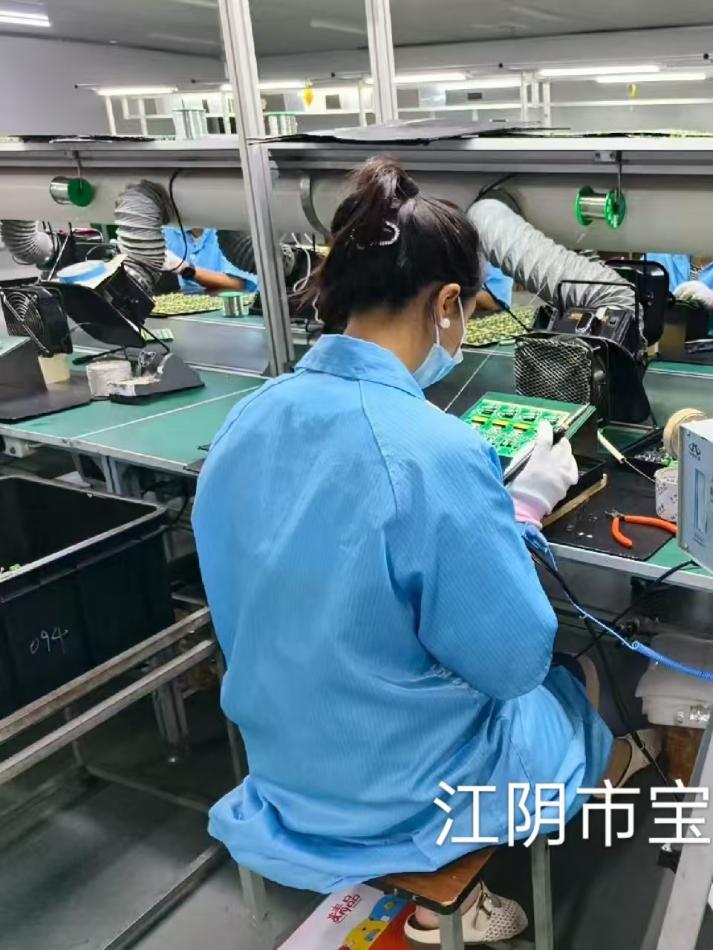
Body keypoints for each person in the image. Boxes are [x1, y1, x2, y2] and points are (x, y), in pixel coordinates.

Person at [193, 157, 654, 945]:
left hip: (284, 763)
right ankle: (464, 899)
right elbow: (512, 663)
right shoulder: (432, 451)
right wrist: (521, 510)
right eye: (467, 309)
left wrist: (490, 517)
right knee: (572, 690)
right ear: (445, 305)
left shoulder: (248, 419)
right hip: (405, 796)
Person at [162, 226, 257, 294]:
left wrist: (184, 268)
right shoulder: (168, 228)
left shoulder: (228, 226)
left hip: (234, 304)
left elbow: (237, 284)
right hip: (188, 302)